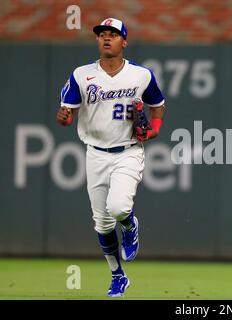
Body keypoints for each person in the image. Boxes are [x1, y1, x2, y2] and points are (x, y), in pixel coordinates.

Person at [56, 18, 166, 297]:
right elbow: (67, 112)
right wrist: (65, 118)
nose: (107, 38)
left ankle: (130, 225)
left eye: (113, 35)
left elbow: (158, 105)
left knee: (118, 208)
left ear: (124, 42)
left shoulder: (140, 75)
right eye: (102, 34)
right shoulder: (81, 75)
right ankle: (118, 276)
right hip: (94, 153)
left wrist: (154, 130)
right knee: (102, 223)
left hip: (127, 151)